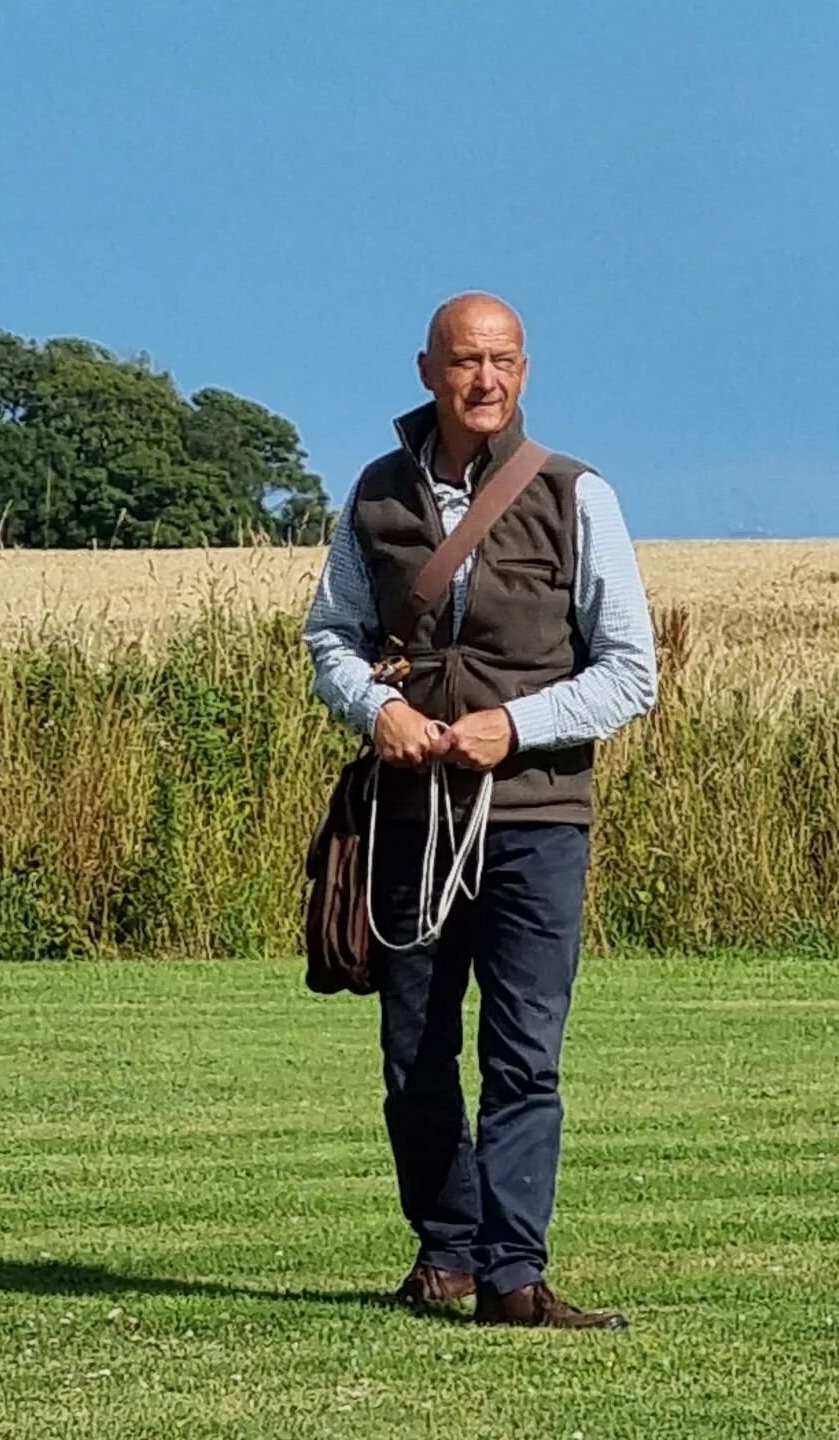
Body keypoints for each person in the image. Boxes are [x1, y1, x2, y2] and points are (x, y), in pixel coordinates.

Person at [303, 293, 657, 1329]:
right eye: (465, 362)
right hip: (412, 819)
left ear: (526, 369)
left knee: (524, 1055)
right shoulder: (373, 498)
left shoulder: (576, 494)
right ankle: (446, 1252)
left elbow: (633, 673)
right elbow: (331, 635)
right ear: (428, 370)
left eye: (502, 360)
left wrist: (519, 724)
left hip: (540, 819)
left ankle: (514, 1276)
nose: (485, 380)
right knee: (412, 1053)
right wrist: (378, 711)